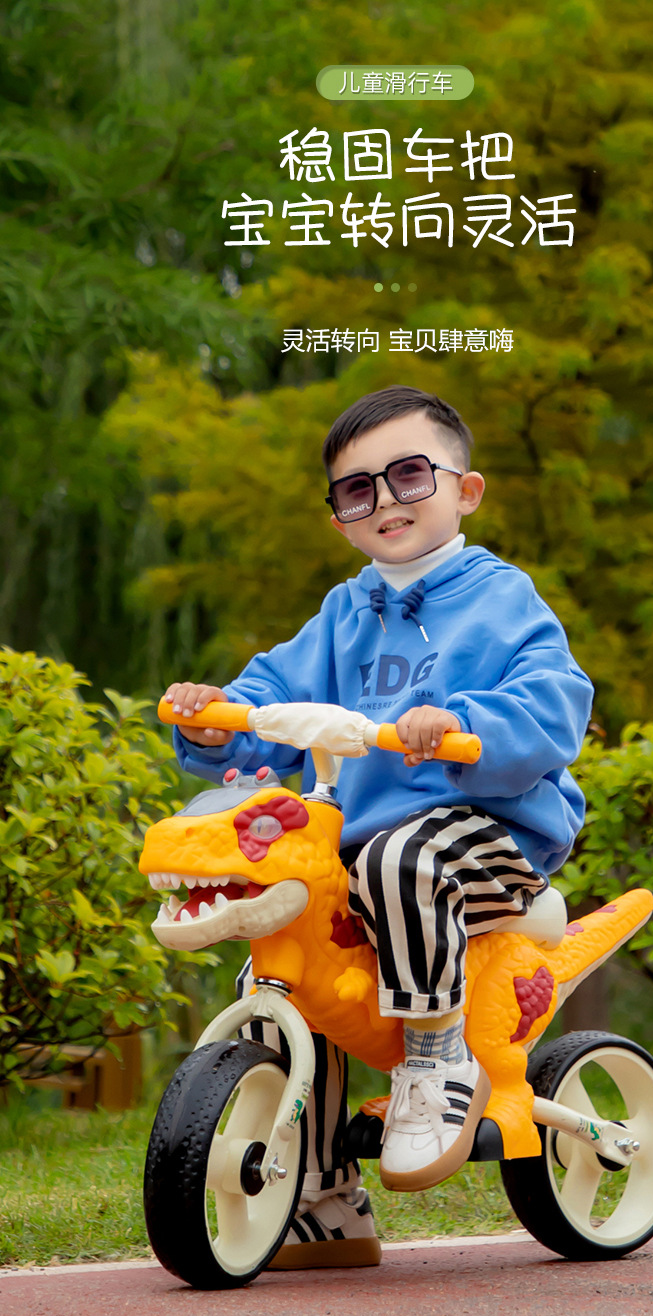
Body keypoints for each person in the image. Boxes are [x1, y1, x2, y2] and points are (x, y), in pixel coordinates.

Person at [162, 384, 593, 1269]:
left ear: (465, 490)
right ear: (340, 519)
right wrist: (216, 719)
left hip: (491, 835)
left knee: (403, 860)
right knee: (288, 956)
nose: (386, 500)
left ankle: (436, 1060)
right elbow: (270, 695)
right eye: (359, 489)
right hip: (360, 851)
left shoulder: (503, 599)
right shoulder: (342, 613)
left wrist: (464, 720)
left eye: (409, 475)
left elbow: (555, 703)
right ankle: (320, 1195)